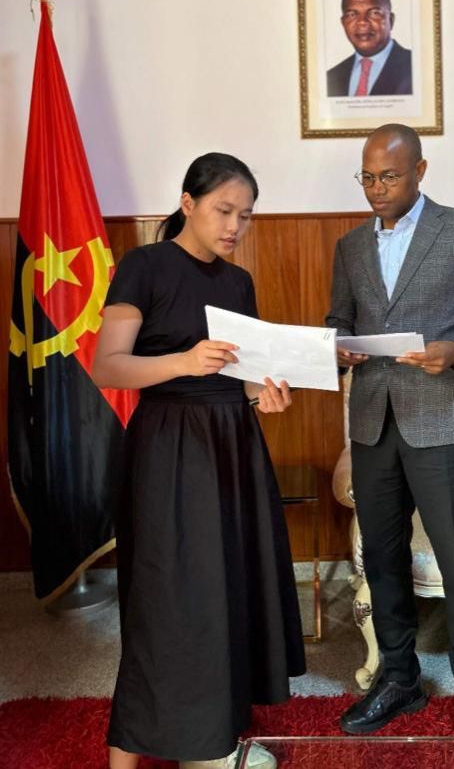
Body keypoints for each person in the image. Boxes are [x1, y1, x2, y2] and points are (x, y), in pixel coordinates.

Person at [92, 153, 305, 769]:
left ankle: (208, 741)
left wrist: (265, 395)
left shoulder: (238, 283)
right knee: (167, 598)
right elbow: (107, 367)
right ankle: (131, 754)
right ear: (188, 203)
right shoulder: (145, 265)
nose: (235, 226)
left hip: (234, 444)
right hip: (169, 449)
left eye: (246, 215)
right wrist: (184, 361)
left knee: (226, 589)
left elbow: (241, 376)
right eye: (224, 210)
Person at [326, 124, 454, 740]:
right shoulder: (350, 247)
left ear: (420, 171)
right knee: (382, 558)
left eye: (388, 176)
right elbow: (338, 320)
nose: (376, 188)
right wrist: (338, 348)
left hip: (444, 418)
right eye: (367, 177)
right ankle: (399, 680)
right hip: (372, 424)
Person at [326, 0, 412, 97]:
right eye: (352, 15)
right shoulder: (331, 78)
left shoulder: (417, 67)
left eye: (374, 13)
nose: (362, 22)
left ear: (391, 20)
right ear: (343, 23)